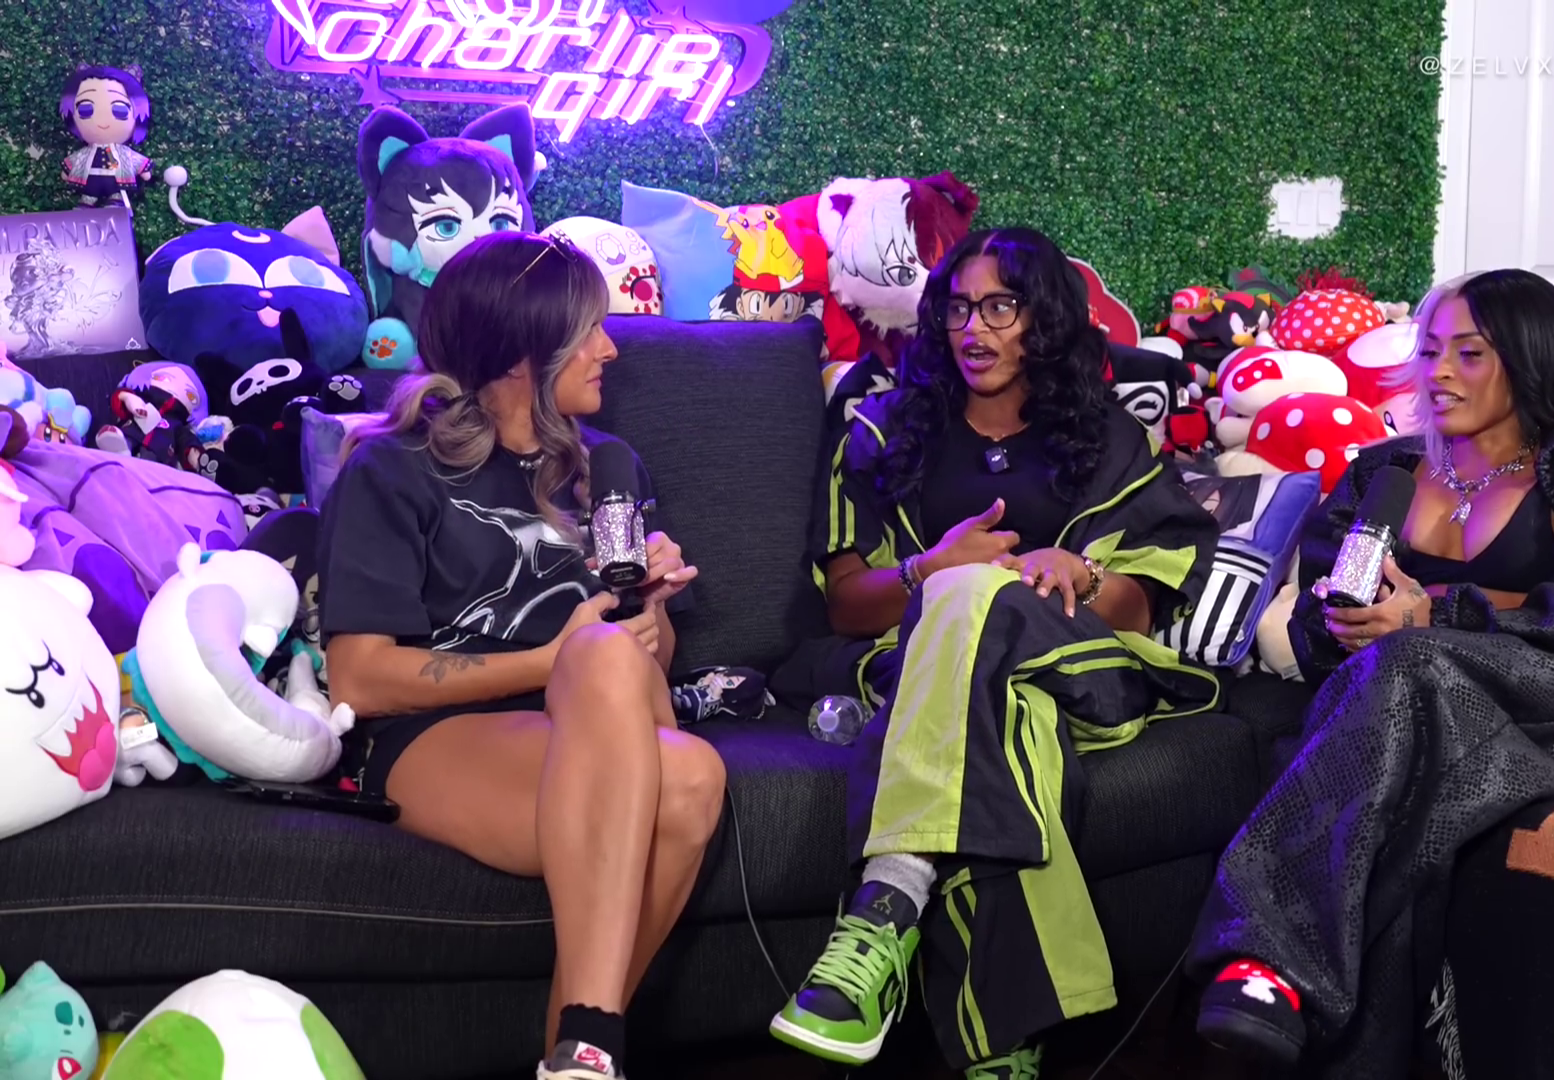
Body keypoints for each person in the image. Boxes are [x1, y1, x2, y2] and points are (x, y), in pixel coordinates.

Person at [767, 228, 1222, 1079]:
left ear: (1043, 318)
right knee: (1009, 716)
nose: (974, 329)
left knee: (979, 599)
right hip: (931, 673)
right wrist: (928, 569)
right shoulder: (879, 430)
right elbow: (846, 604)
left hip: (1082, 664)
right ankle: (1002, 1050)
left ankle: (888, 898)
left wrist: (1081, 573)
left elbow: (1142, 604)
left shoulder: (1111, 439)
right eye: (959, 309)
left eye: (1001, 307)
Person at [1187, 269, 1554, 1076]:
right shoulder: (1385, 474)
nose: (1439, 372)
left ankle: (1264, 959)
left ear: (1530, 359)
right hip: (1409, 705)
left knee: (1405, 665)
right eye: (1431, 351)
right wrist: (1346, 620)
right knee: (1414, 806)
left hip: (1547, 695)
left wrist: (1434, 614)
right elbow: (1314, 631)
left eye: (1468, 354)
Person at [317, 231, 725, 1080]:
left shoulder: (610, 467)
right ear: (517, 354)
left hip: (597, 720)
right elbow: (358, 677)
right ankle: (586, 1048)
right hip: (439, 737)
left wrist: (651, 613)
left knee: (615, 665)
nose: (611, 349)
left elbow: (648, 666)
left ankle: (585, 1046)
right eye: (589, 331)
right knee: (688, 776)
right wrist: (559, 658)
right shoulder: (393, 471)